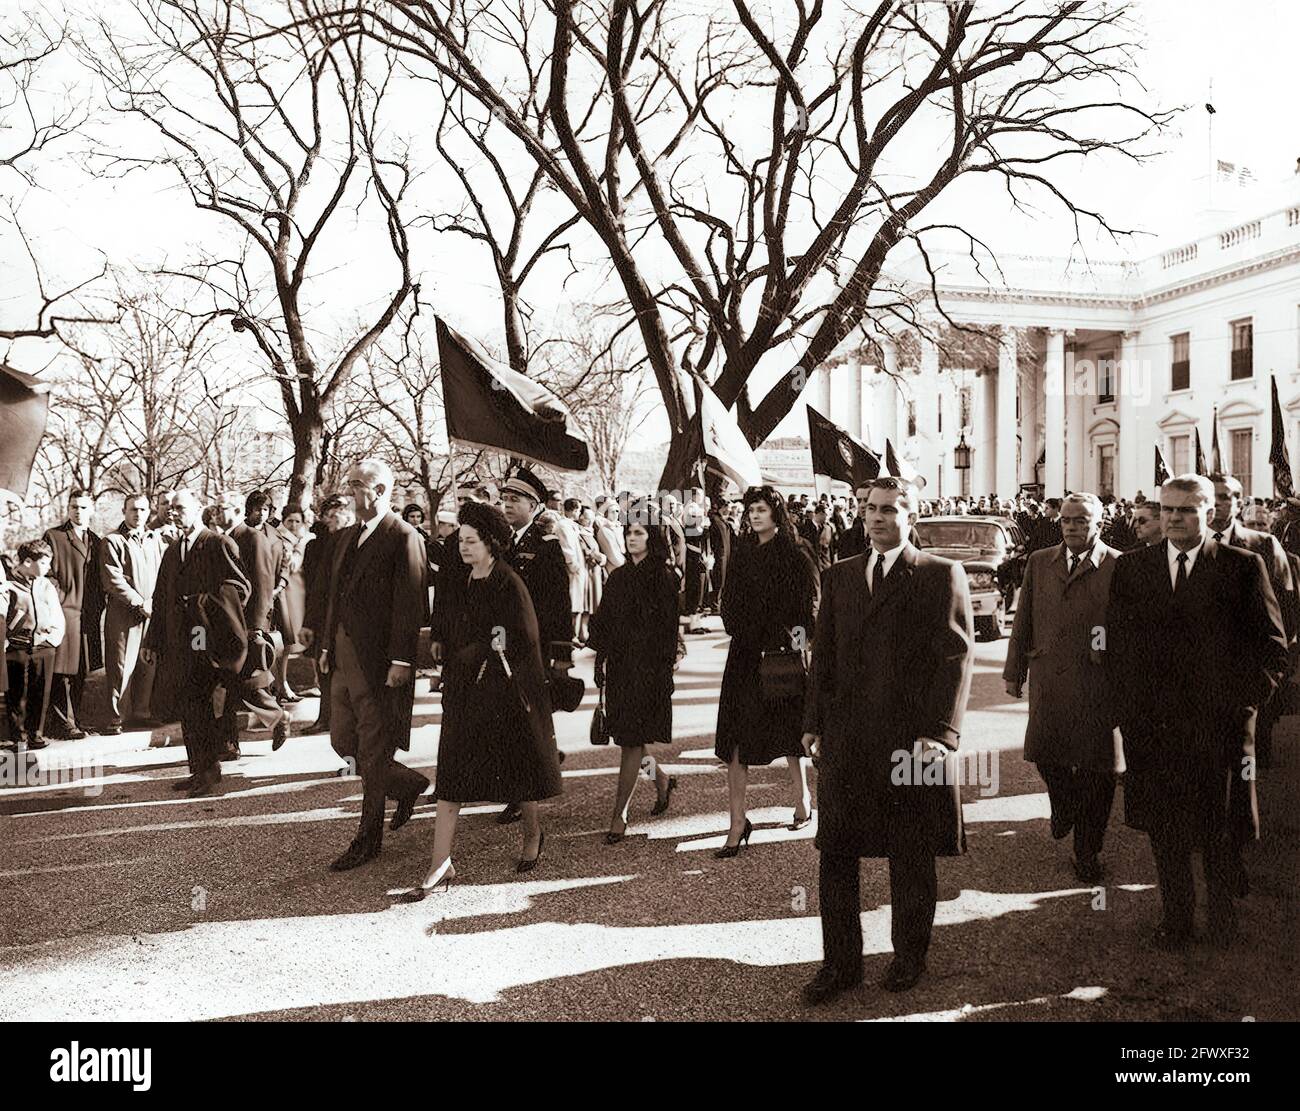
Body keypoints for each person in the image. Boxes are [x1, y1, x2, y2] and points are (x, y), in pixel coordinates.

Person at [800, 477, 974, 1003]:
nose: (876, 518)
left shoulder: (939, 575)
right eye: (868, 509)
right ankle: (840, 963)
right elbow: (823, 657)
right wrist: (811, 724)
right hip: (848, 739)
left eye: (888, 510)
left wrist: (940, 734)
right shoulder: (840, 577)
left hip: (910, 742)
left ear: (910, 516)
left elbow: (955, 656)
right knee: (836, 853)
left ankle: (908, 957)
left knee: (910, 853)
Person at [1105, 474, 1287, 951]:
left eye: (1186, 510)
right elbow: (1117, 649)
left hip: (1219, 730)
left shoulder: (1242, 566)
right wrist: (1128, 714)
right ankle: (1177, 917)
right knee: (1166, 831)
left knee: (1219, 832)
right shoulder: (1133, 569)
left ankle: (1223, 917)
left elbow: (1272, 650)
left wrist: (1241, 707)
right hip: (1155, 732)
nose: (1174, 519)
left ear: (1210, 512)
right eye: (1167, 510)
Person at [414, 501, 562, 895]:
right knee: (452, 773)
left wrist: (489, 648)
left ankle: (533, 836)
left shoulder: (508, 582)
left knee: (519, 771)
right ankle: (439, 862)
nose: (462, 547)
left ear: (491, 543)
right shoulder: (462, 580)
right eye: (460, 540)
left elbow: (524, 639)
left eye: (470, 541)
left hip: (503, 694)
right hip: (465, 691)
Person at [300, 460, 431, 872]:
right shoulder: (345, 537)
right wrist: (322, 642)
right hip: (340, 660)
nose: (352, 492)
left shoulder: (403, 537)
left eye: (358, 486)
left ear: (379, 491)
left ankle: (367, 839)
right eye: (352, 485)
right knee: (344, 744)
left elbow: (410, 604)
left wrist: (402, 661)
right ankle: (408, 783)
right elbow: (333, 596)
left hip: (379, 666)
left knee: (373, 753)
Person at [1003, 493, 1121, 883]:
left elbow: (1128, 627)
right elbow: (1023, 621)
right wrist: (1013, 671)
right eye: (1067, 520)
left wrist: (1106, 650)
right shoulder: (1039, 562)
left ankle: (1087, 853)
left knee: (1098, 774)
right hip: (1050, 678)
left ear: (1098, 524)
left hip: (1098, 685)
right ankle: (1063, 803)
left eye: (1081, 520)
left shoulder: (1119, 565)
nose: (1071, 526)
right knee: (1045, 755)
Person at [714, 485, 819, 855]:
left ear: (776, 513)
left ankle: (803, 798)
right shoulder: (742, 550)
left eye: (761, 509)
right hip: (744, 654)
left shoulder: (795, 552)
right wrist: (737, 627)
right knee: (736, 740)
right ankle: (737, 821)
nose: (754, 515)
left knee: (790, 732)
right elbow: (728, 598)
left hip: (779, 656)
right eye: (751, 510)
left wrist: (796, 645)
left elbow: (808, 606)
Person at [141, 491, 250, 798]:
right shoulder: (173, 550)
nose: (174, 513)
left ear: (199, 509)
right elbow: (160, 599)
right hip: (178, 642)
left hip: (205, 639)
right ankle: (197, 768)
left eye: (181, 508)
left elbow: (240, 588)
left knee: (202, 703)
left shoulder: (218, 543)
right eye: (171, 508)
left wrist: (202, 604)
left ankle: (210, 771)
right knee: (188, 705)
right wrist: (153, 640)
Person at [588, 500, 680, 843]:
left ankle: (619, 815)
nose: (631, 538)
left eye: (639, 532)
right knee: (632, 740)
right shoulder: (618, 576)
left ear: (652, 537)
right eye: (628, 532)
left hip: (649, 671)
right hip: (621, 669)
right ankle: (662, 781)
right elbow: (604, 622)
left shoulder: (665, 577)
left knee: (630, 742)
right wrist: (599, 660)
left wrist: (665, 672)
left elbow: (668, 632)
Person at [496, 466, 575, 824]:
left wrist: (561, 655)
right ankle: (543, 759)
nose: (507, 504)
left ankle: (523, 791)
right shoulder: (503, 544)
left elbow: (560, 605)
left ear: (534, 505)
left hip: (535, 648)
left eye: (515, 499)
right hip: (505, 648)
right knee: (515, 718)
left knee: (523, 717)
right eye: (504, 499)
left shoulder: (546, 547)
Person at [1209, 473, 1298, 773]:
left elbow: (1286, 610)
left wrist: (1270, 674)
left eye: (1224, 497)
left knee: (1248, 768)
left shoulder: (1263, 545)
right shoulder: (1187, 546)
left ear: (1239, 503)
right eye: (1210, 496)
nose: (1216, 504)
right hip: (1202, 674)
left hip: (1247, 671)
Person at [227, 490, 289, 754]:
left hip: (252, 619)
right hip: (245, 617)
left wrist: (257, 625)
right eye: (257, 508)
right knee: (237, 679)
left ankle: (275, 717)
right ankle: (229, 744)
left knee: (245, 677)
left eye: (266, 509)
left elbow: (268, 577)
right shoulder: (238, 535)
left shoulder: (254, 537)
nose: (261, 513)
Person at [99, 492, 166, 734]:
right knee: (120, 666)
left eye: (142, 509)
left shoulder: (154, 539)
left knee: (147, 663)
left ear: (149, 512)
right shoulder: (112, 541)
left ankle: (141, 712)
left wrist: (156, 603)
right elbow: (112, 580)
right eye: (133, 510)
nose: (138, 514)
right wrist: (138, 602)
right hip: (124, 613)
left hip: (151, 610)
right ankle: (116, 717)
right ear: (124, 512)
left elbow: (162, 573)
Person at [42, 490, 104, 739]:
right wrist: (60, 600)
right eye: (74, 507)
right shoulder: (54, 536)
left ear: (92, 510)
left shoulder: (98, 541)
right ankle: (62, 724)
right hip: (64, 612)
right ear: (68, 509)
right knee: (62, 671)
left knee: (81, 670)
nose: (78, 512)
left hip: (89, 615)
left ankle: (75, 719)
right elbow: (47, 574)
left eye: (83, 507)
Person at [4, 539, 65, 750]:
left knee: (40, 693)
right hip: (16, 647)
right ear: (28, 561)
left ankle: (35, 734)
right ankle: (18, 737)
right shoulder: (8, 584)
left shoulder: (45, 584)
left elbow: (56, 614)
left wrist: (53, 639)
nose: (49, 567)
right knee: (17, 692)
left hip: (43, 646)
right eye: (45, 563)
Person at [302, 494, 354, 734]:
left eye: (338, 514)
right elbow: (314, 587)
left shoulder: (355, 540)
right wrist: (308, 623)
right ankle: (326, 716)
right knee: (324, 668)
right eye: (329, 516)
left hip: (348, 617)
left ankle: (344, 718)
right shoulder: (316, 546)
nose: (334, 520)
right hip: (323, 614)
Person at [272, 504, 313, 705]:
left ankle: (311, 681)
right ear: (284, 521)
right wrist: (302, 545)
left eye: (298, 521)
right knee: (286, 640)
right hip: (288, 594)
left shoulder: (303, 536)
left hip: (303, 591)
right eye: (290, 521)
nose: (294, 525)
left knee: (302, 638)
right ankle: (281, 683)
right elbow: (291, 564)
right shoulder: (281, 538)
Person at [576, 506, 606, 645]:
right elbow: (587, 551)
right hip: (586, 571)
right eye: (587, 518)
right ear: (580, 517)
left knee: (593, 602)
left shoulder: (591, 532)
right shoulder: (578, 532)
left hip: (594, 572)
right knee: (585, 602)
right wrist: (599, 557)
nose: (589, 521)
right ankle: (582, 632)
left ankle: (586, 631)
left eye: (591, 519)